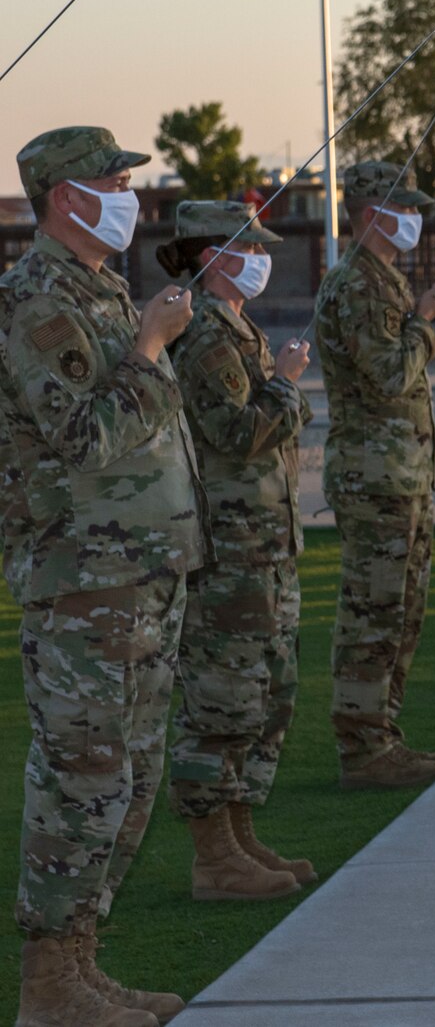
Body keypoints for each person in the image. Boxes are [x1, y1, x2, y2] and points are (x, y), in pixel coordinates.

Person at [2, 126, 199, 1026]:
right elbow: (85, 435)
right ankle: (48, 982)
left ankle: (81, 963)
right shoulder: (37, 299)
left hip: (141, 574)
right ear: (65, 197)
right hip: (84, 579)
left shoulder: (97, 287)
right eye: (113, 178)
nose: (128, 188)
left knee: (127, 779)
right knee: (82, 777)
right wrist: (151, 348)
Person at [157, 202, 317, 903]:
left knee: (265, 695)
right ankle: (213, 855)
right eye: (247, 246)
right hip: (228, 550)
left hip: (264, 545)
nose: (260, 255)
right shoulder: (204, 337)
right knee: (220, 699)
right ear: (213, 255)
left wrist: (280, 387)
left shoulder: (233, 326)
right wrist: (285, 382)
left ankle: (241, 833)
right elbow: (237, 431)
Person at [312, 160, 435, 790]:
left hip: (400, 475)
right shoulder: (358, 286)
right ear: (373, 214)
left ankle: (382, 738)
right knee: (373, 612)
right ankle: (363, 747)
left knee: (401, 611)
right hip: (374, 477)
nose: (416, 219)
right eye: (407, 208)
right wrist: (424, 325)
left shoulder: (382, 280)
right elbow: (389, 374)